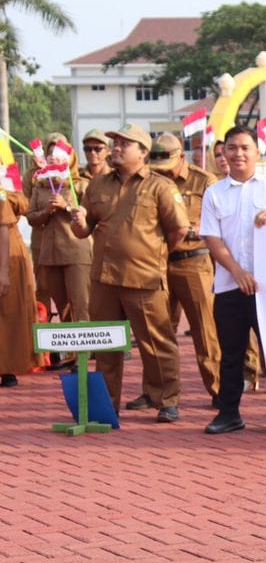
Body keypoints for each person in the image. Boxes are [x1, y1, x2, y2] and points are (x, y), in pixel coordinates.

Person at [66, 124, 188, 421]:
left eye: (125, 143)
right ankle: (107, 404)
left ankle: (166, 400)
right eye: (115, 142)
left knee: (156, 344)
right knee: (105, 346)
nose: (116, 147)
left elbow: (178, 230)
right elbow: (84, 231)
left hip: (144, 278)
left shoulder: (160, 186)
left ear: (143, 152)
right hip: (104, 278)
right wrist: (78, 221)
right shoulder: (97, 185)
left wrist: (150, 254)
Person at [199, 126, 266, 435]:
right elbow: (212, 239)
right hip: (230, 285)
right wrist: (238, 273)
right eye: (232, 147)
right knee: (231, 353)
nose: (238, 153)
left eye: (245, 147)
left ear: (258, 152)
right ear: (225, 153)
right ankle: (229, 412)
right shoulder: (214, 192)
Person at [146, 132, 222, 405]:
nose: (162, 173)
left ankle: (219, 391)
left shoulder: (204, 181)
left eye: (166, 166)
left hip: (194, 263)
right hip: (158, 263)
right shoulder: (149, 180)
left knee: (205, 330)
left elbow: (220, 221)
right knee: (156, 332)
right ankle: (157, 392)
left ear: (181, 156)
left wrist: (195, 230)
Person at [26, 137, 92, 329]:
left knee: (81, 304)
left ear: (69, 159)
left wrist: (66, 206)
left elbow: (88, 216)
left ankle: (85, 353)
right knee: (62, 306)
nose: (53, 158)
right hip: (50, 253)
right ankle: (70, 352)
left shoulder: (80, 185)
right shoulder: (40, 187)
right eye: (50, 154)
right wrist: (46, 212)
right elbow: (31, 217)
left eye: (59, 154)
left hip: (76, 251)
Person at [0, 184, 37, 386]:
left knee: (8, 313)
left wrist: (3, 272)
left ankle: (8, 369)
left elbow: (2, 230)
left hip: (6, 256)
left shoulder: (1, 195)